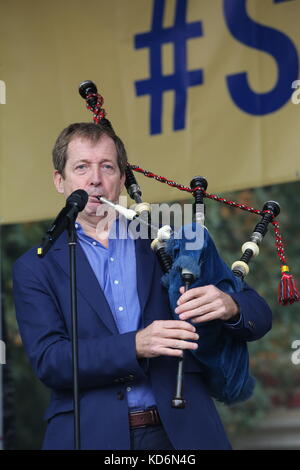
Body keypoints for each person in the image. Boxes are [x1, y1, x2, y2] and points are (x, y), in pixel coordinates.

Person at [13, 122, 272, 450]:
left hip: (183, 430)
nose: (95, 179)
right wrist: (135, 344)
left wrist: (231, 305)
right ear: (59, 181)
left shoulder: (172, 240)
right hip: (90, 436)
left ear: (121, 179)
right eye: (81, 167)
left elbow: (259, 316)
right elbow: (51, 361)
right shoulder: (36, 266)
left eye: (107, 166)